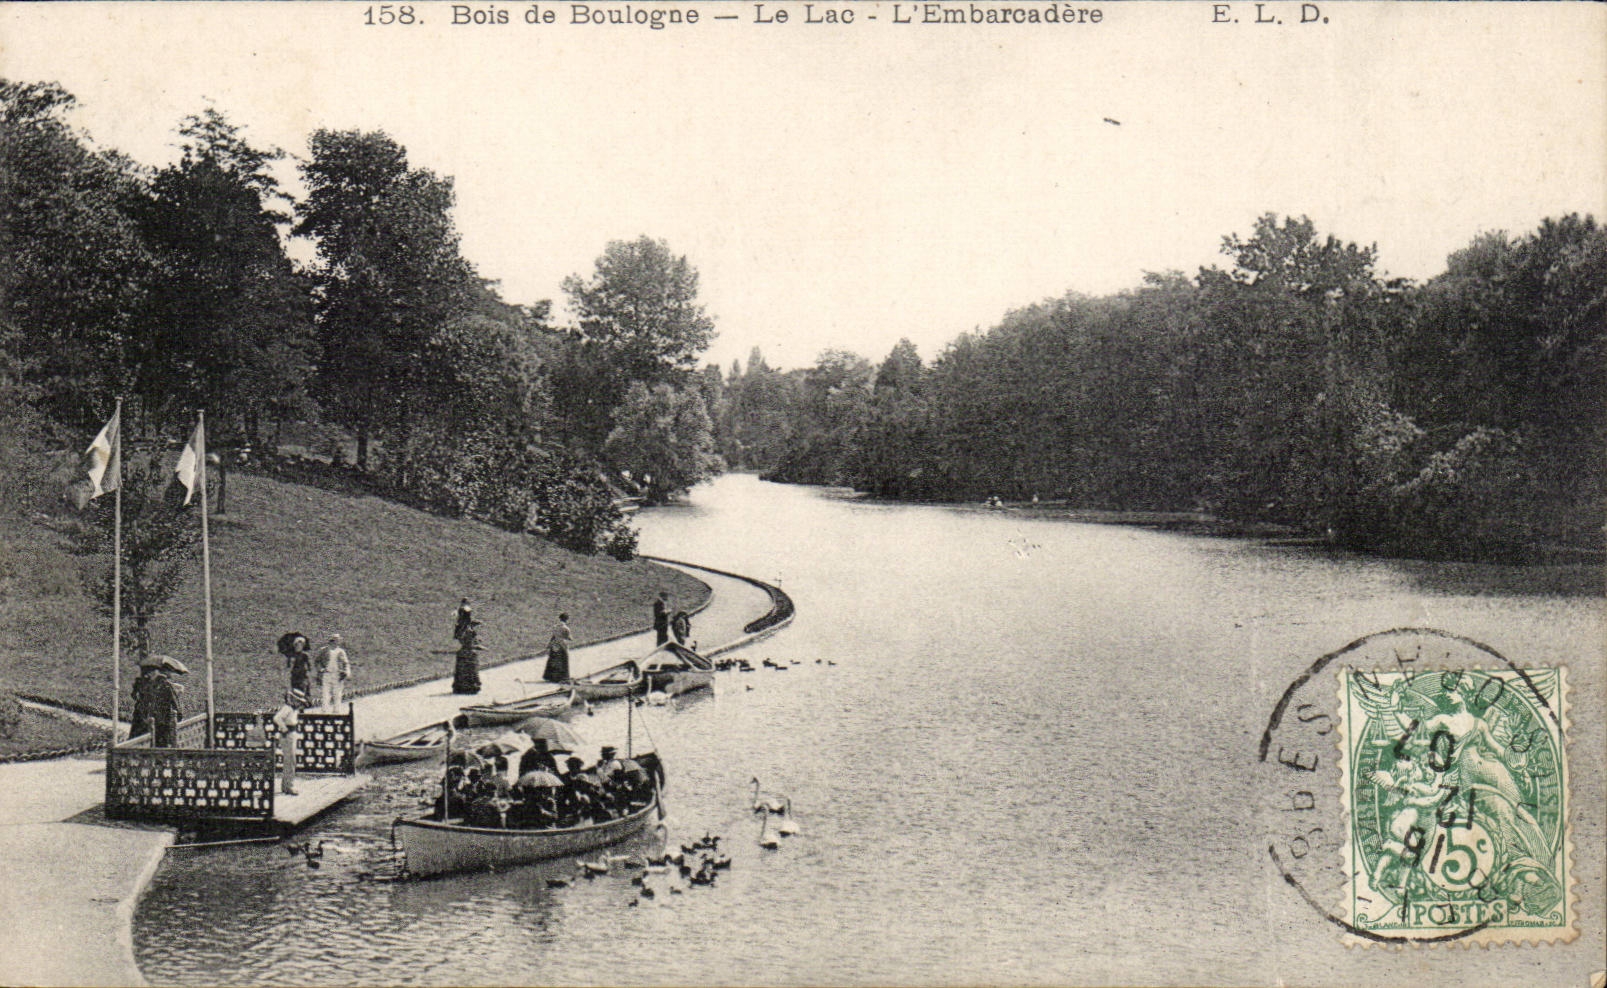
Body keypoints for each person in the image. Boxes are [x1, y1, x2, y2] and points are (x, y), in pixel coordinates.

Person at [131, 655, 183, 747]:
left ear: (157, 672)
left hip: (153, 720)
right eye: (149, 672)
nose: (150, 674)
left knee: (152, 743)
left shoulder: (162, 685)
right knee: (156, 743)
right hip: (154, 720)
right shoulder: (149, 684)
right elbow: (137, 697)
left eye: (152, 672)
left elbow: (174, 702)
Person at [316, 634, 351, 712]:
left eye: (338, 640)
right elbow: (317, 661)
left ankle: (336, 711)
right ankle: (324, 711)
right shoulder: (324, 650)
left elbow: (346, 663)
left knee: (337, 694)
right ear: (331, 640)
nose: (336, 642)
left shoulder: (341, 651)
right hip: (327, 674)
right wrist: (321, 669)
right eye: (335, 640)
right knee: (325, 694)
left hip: (337, 675)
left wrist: (347, 672)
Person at [453, 622, 483, 694]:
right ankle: (469, 686)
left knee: (464, 670)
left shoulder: (466, 632)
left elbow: (468, 642)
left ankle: (463, 686)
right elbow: (469, 643)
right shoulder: (469, 632)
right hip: (468, 654)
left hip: (465, 653)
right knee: (470, 670)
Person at [543, 613, 572, 683]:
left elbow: (553, 637)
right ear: (566, 620)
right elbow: (569, 638)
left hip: (555, 645)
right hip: (562, 645)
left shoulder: (555, 627)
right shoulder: (566, 628)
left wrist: (549, 645)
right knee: (563, 660)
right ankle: (562, 677)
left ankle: (550, 677)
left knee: (553, 660)